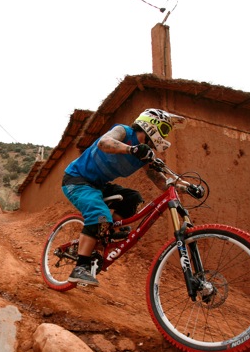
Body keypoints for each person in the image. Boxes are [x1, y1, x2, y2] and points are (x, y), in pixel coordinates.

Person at [61, 108, 203, 286]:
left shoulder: (143, 154)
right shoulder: (123, 131)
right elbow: (104, 143)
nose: (165, 135)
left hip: (100, 185)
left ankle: (105, 231)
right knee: (98, 213)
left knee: (133, 198)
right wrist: (131, 149)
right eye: (165, 130)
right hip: (77, 180)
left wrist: (187, 188)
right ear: (151, 124)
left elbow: (161, 182)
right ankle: (80, 267)